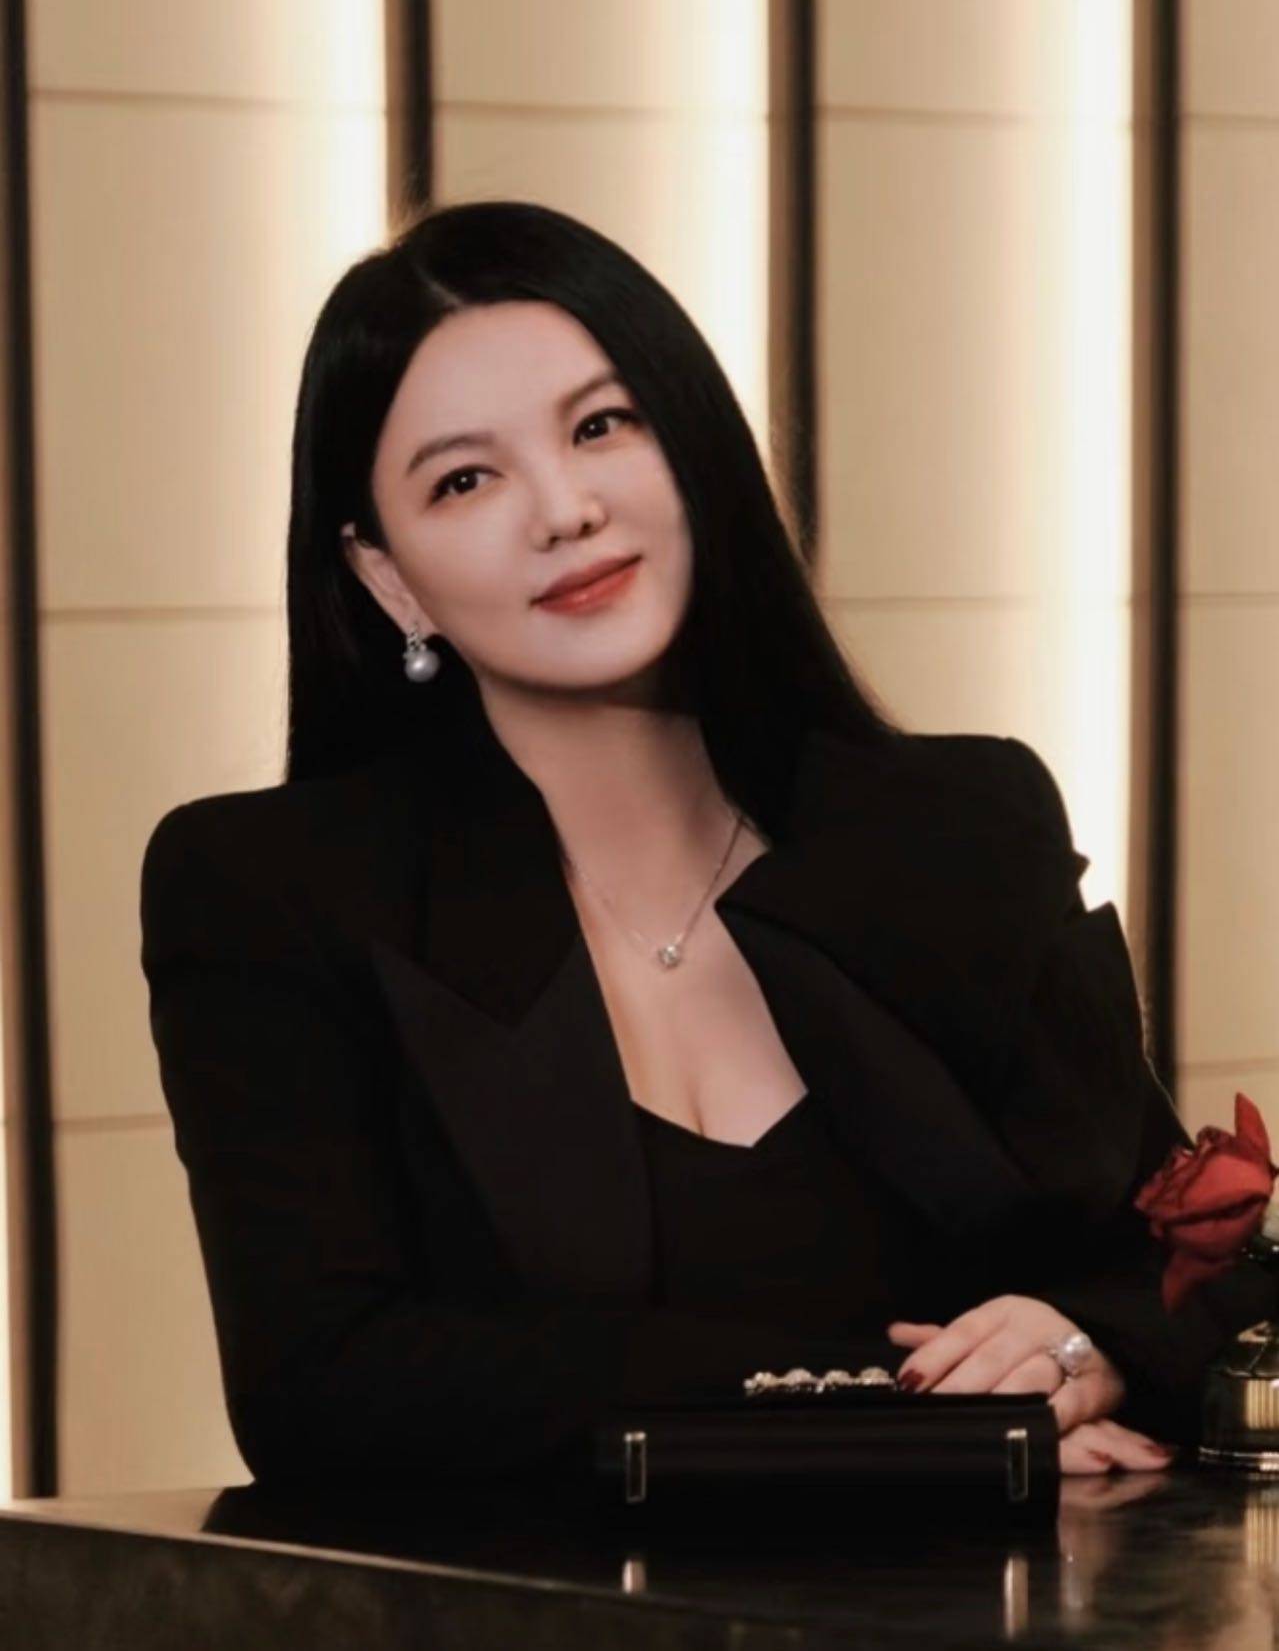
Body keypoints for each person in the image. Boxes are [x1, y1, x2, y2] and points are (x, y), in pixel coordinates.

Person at [139, 199, 1275, 1489]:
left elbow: (1193, 1271)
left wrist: (1083, 1347)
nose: (563, 509)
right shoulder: (273, 890)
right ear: (387, 576)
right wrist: (914, 1424)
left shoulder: (963, 827)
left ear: (695, 448)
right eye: (464, 479)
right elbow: (325, 1387)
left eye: (601, 426)